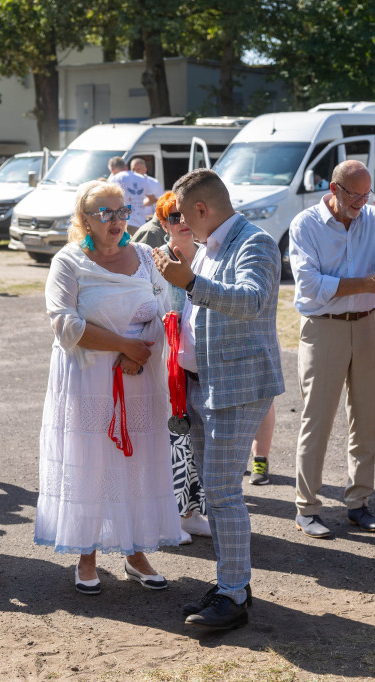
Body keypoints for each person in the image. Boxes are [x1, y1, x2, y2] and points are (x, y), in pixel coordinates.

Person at [35, 180, 181, 596]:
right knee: (93, 461)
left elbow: (164, 309)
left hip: (140, 375)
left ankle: (135, 554)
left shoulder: (146, 257)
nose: (117, 221)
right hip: (89, 380)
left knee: (137, 464)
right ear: (86, 220)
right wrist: (122, 345)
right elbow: (63, 323)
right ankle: (87, 556)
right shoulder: (68, 262)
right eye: (106, 213)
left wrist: (140, 354)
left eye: (122, 211)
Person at [152, 168, 283, 631]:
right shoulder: (209, 246)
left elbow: (252, 300)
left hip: (236, 385)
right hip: (203, 382)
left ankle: (233, 593)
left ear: (203, 210)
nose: (181, 223)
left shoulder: (256, 242)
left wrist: (189, 281)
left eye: (185, 214)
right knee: (215, 491)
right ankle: (232, 583)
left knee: (223, 492)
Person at [287, 159, 375, 538]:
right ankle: (307, 508)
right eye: (354, 195)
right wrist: (365, 283)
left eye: (366, 194)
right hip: (322, 328)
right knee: (318, 419)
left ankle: (358, 503)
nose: (361, 202)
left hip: (366, 326)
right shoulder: (305, 224)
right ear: (334, 189)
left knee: (365, 417)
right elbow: (309, 283)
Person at [155, 192, 211, 543]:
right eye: (174, 217)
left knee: (196, 444)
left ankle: (191, 513)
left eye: (187, 214)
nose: (182, 222)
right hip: (165, 367)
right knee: (169, 442)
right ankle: (167, 517)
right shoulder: (154, 260)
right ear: (163, 224)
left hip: (200, 363)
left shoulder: (209, 257)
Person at [106, 156, 156, 233]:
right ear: (125, 166)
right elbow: (152, 199)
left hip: (123, 223)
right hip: (140, 223)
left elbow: (108, 201)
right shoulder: (141, 178)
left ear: (112, 170)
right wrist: (138, 203)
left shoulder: (114, 179)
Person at [131, 157, 164, 223]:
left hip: (150, 219)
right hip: (133, 220)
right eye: (133, 169)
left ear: (145, 170)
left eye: (138, 169)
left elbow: (160, 202)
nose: (135, 172)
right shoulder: (128, 182)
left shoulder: (154, 183)